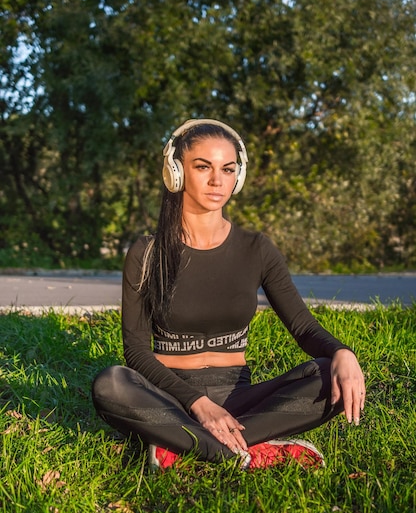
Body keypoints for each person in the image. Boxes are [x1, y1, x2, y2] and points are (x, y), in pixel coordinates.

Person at [92, 118, 366, 470]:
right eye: (203, 167)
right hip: (170, 397)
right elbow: (136, 351)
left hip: (240, 398)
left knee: (333, 377)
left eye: (228, 168)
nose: (217, 180)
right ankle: (250, 448)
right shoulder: (146, 253)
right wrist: (198, 404)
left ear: (239, 177)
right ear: (176, 172)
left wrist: (342, 352)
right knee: (110, 384)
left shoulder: (257, 249)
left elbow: (302, 326)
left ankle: (183, 444)